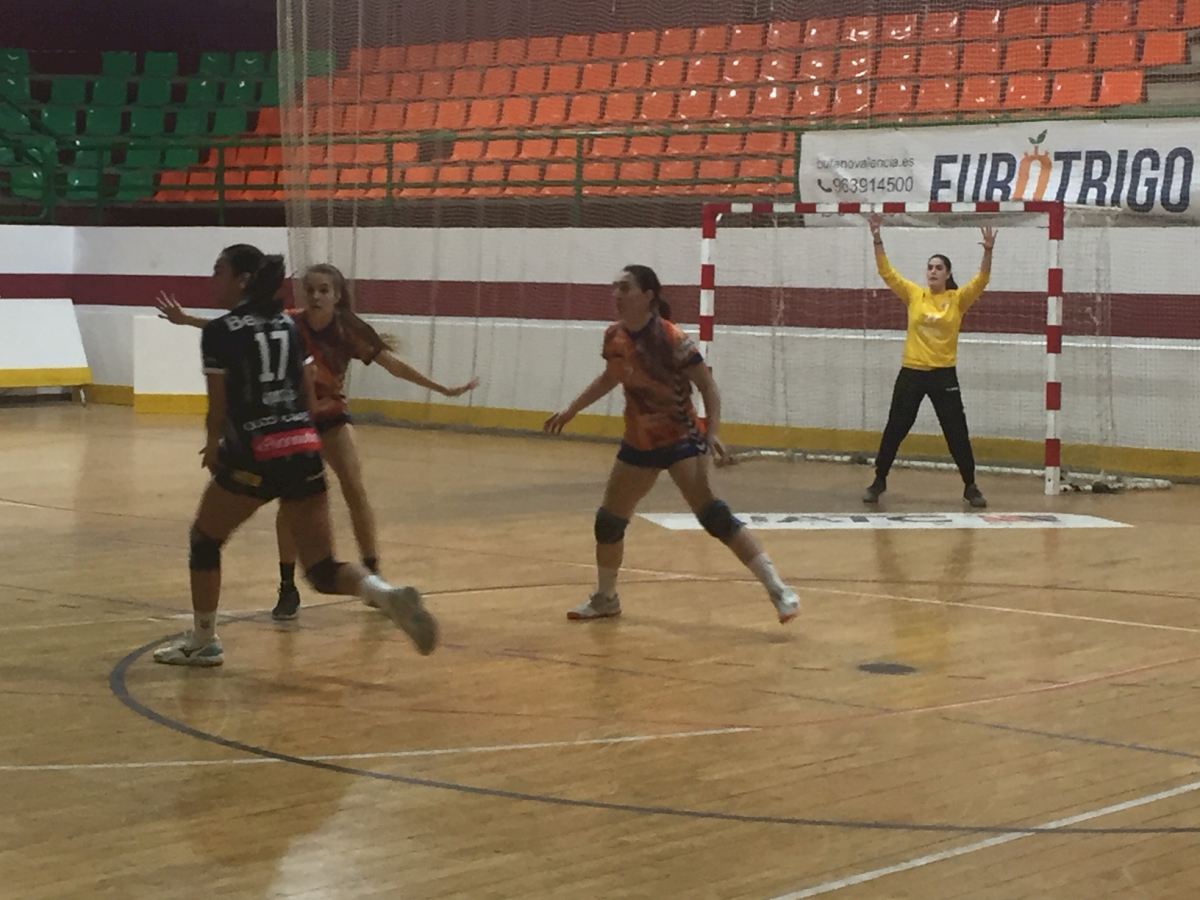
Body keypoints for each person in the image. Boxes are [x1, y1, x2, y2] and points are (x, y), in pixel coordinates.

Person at [152, 253, 438, 667]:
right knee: (321, 568)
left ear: (242, 280)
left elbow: (218, 405)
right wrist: (298, 431)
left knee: (205, 540)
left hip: (255, 452)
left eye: (219, 271)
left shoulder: (220, 331)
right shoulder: (288, 326)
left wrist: (214, 443)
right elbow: (308, 392)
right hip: (302, 445)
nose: (213, 279)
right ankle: (382, 591)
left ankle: (203, 640)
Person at [544, 264, 799, 625]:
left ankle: (780, 591)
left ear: (648, 295)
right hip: (639, 442)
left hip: (681, 439)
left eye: (625, 288)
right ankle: (606, 598)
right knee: (609, 523)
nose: (617, 294)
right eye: (615, 287)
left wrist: (711, 432)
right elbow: (610, 378)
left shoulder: (672, 338)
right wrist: (571, 410)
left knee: (714, 516)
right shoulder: (614, 336)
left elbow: (707, 386)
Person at [862, 214, 996, 509]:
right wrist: (877, 238)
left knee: (956, 431)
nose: (933, 271)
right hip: (911, 372)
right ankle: (879, 480)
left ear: (948, 274)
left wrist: (987, 251)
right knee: (896, 427)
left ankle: (970, 486)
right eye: (930, 267)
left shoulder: (957, 299)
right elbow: (887, 272)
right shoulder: (914, 294)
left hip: (943, 375)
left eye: (939, 268)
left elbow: (982, 280)